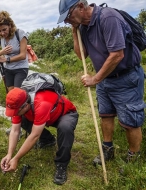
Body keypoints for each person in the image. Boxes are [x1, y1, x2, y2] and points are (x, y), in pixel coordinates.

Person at [57, 0, 144, 164]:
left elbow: (117, 54)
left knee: (130, 121)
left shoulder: (108, 18)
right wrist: (75, 32)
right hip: (105, 79)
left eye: (68, 16)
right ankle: (107, 149)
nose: (67, 21)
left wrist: (95, 79)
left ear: (81, 6)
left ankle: (134, 158)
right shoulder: (82, 27)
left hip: (125, 77)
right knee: (106, 115)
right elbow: (81, 54)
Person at [1, 87, 78, 185]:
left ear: (25, 105)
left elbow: (34, 135)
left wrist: (16, 159)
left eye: (16, 112)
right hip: (43, 115)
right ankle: (47, 140)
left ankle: (62, 165)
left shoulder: (42, 103)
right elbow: (15, 131)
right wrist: (9, 154)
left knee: (65, 128)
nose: (14, 114)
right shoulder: (18, 103)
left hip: (65, 114)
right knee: (23, 120)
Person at [0, 10, 29, 137]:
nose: (2, 33)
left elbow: (23, 55)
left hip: (21, 69)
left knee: (18, 98)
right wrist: (2, 52)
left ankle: (22, 127)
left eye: (4, 29)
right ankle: (16, 127)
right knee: (11, 99)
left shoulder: (20, 34)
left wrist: (6, 58)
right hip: (8, 70)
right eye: (0, 30)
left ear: (10, 26)